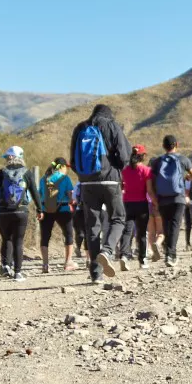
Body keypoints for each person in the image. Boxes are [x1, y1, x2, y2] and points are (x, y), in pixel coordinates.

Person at [70, 104, 132, 282]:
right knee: (118, 218)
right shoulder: (112, 126)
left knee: (92, 225)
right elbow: (124, 155)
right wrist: (116, 169)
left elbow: (73, 161)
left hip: (87, 183)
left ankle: (96, 274)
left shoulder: (80, 128)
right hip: (110, 180)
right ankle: (108, 250)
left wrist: (85, 176)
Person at [0, 146, 41, 281]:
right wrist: (40, 209)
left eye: (6, 157)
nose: (6, 159)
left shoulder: (2, 172)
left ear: (10, 157)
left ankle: (6, 266)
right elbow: (35, 193)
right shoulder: (27, 172)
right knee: (18, 241)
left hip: (4, 212)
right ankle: (18, 273)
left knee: (7, 239)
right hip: (21, 211)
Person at [148, 135, 192, 268]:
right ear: (176, 144)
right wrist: (186, 177)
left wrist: (155, 200)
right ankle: (171, 255)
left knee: (166, 226)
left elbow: (151, 182)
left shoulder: (157, 162)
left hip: (162, 199)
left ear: (163, 146)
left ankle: (168, 251)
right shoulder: (183, 159)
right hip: (178, 198)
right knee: (174, 225)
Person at [38, 158, 78, 272]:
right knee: (68, 234)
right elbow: (71, 194)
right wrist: (72, 201)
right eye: (66, 167)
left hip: (46, 209)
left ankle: (45, 265)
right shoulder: (65, 179)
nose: (67, 170)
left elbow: (39, 194)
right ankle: (68, 262)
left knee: (45, 236)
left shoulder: (43, 179)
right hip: (63, 209)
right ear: (61, 167)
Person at [118, 145, 154, 270]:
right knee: (141, 233)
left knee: (127, 231)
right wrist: (156, 202)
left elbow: (121, 187)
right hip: (141, 204)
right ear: (143, 156)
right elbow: (149, 190)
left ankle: (124, 256)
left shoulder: (124, 170)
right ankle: (142, 260)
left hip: (127, 204)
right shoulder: (147, 170)